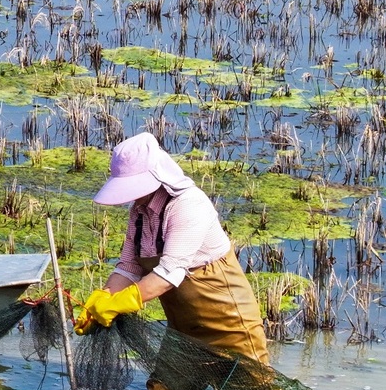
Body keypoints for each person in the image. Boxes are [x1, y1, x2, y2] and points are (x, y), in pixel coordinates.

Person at [75, 133, 268, 371]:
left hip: (229, 326)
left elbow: (168, 274)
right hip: (181, 331)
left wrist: (122, 303)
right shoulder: (139, 212)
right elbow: (129, 266)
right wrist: (102, 298)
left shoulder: (188, 205)